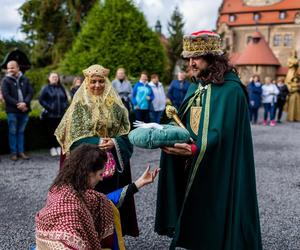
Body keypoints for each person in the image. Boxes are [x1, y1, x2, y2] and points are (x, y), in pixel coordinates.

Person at [155, 30, 262, 250]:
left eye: (197, 57)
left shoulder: (231, 91)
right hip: (192, 160)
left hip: (219, 165)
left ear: (213, 57)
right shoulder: (197, 85)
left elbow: (223, 132)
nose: (191, 63)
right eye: (189, 58)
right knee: (195, 208)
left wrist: (196, 148)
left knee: (216, 208)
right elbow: (186, 120)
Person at [55, 64, 139, 237]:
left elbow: (126, 135)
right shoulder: (79, 107)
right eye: (93, 81)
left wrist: (115, 142)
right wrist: (97, 141)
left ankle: (111, 240)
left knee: (110, 202)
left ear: (106, 82)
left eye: (101, 81)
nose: (97, 85)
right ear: (87, 83)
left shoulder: (116, 106)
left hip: (111, 168)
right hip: (87, 168)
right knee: (87, 204)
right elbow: (71, 138)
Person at [35, 144, 159, 250]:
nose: (101, 178)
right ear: (88, 172)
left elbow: (105, 201)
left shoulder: (61, 189)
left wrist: (139, 183)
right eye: (100, 173)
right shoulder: (71, 208)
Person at [1, 60, 33, 161]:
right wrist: (18, 104)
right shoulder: (5, 80)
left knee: (21, 132)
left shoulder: (25, 79)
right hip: (12, 111)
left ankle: (21, 152)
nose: (10, 69)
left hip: (25, 110)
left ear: (18, 68)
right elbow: (6, 95)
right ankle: (13, 153)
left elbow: (30, 92)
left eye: (12, 67)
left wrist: (25, 103)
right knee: (13, 132)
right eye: (9, 68)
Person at [39, 72, 69, 156]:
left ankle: (58, 146)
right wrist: (49, 107)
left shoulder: (61, 88)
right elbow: (41, 100)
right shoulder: (46, 88)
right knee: (51, 132)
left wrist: (64, 106)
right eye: (53, 77)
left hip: (61, 114)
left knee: (59, 132)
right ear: (49, 78)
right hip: (50, 115)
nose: (55, 78)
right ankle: (52, 148)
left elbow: (66, 99)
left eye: (56, 77)